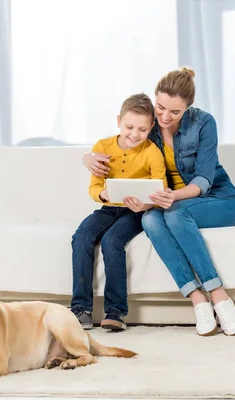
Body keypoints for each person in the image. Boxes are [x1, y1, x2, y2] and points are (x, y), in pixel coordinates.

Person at [82, 67, 235, 336]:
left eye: (175, 112)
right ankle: (197, 299)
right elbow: (120, 144)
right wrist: (86, 157)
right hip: (169, 202)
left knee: (175, 214)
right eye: (160, 108)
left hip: (217, 199)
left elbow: (204, 180)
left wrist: (172, 196)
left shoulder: (204, 123)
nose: (165, 117)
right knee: (149, 219)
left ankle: (218, 294)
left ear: (188, 108)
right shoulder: (151, 127)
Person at [71, 93, 167, 332]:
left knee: (113, 240)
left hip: (136, 213)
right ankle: (81, 308)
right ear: (118, 121)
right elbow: (94, 186)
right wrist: (102, 194)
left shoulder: (153, 152)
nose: (135, 134)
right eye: (129, 127)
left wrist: (145, 205)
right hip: (109, 207)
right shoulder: (102, 148)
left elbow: (160, 188)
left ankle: (116, 312)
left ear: (151, 127)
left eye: (143, 129)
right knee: (81, 237)